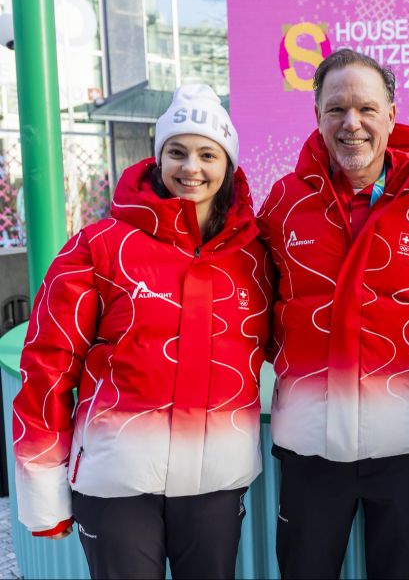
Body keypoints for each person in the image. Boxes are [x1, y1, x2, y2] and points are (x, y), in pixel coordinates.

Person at [13, 84, 272, 579]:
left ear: (228, 166)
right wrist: (42, 482)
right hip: (116, 482)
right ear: (157, 158)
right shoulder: (98, 246)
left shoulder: (253, 256)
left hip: (214, 481)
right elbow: (48, 364)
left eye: (206, 154)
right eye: (176, 151)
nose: (190, 167)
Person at [257, 49, 409, 579]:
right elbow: (260, 311)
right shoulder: (284, 201)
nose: (351, 123)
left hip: (406, 447)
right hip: (310, 448)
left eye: (366, 109)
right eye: (336, 109)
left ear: (392, 117)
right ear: (316, 117)